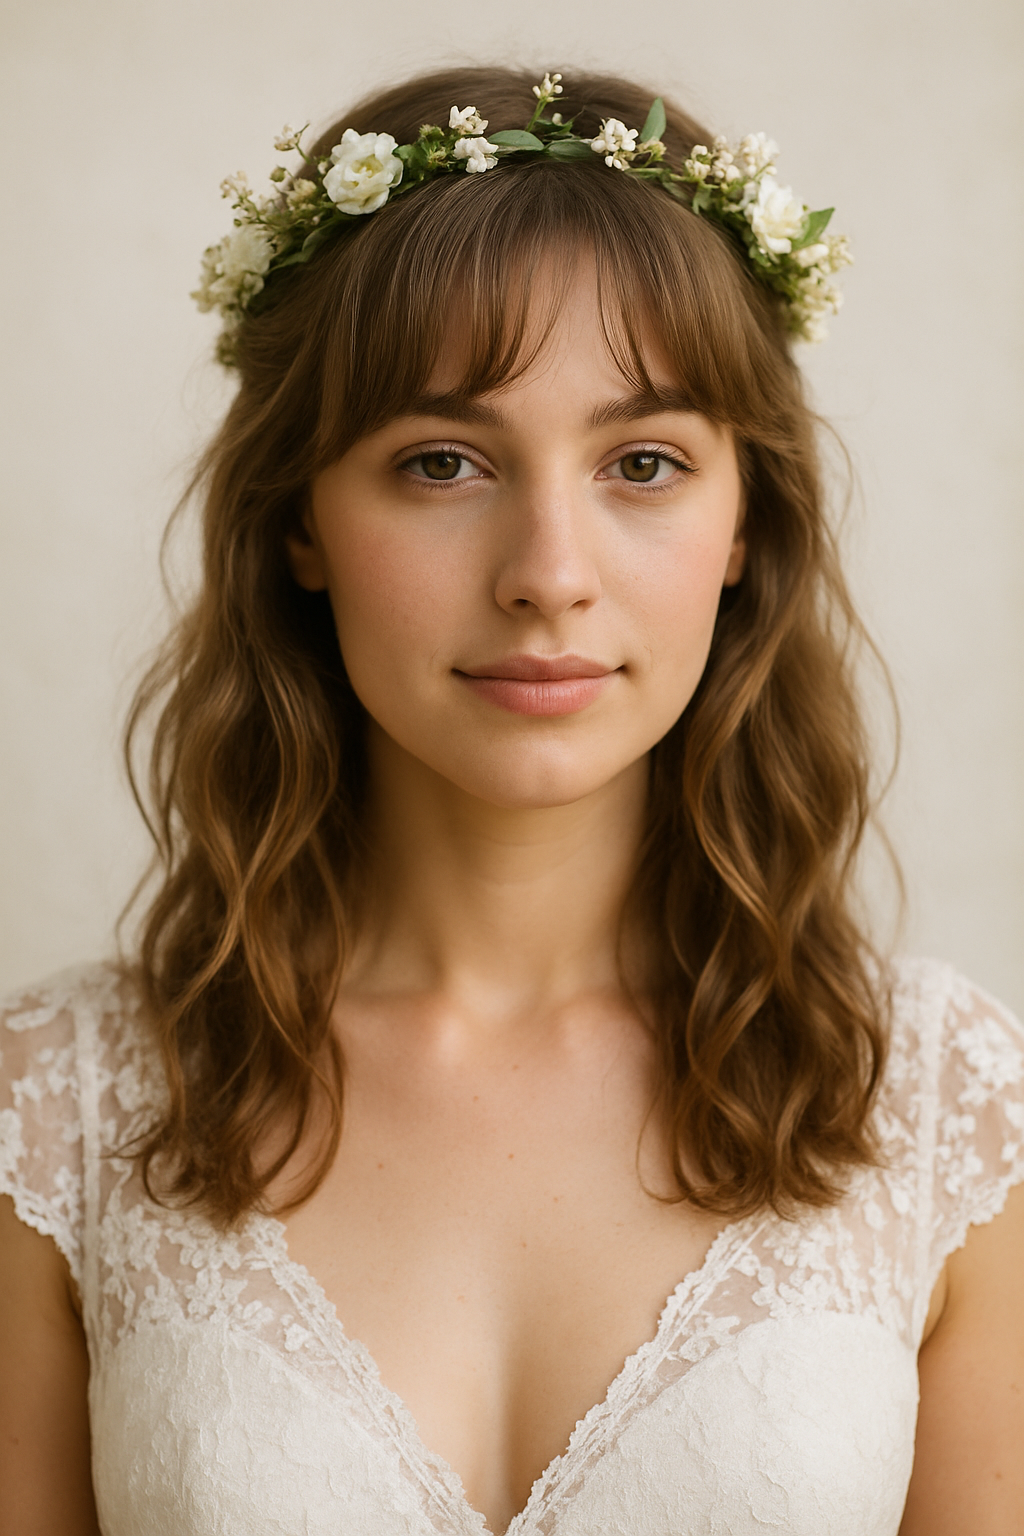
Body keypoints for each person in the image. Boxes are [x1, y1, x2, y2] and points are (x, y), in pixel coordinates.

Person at [1, 64, 1021, 1536]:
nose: (550, 568)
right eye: (442, 462)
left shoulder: (942, 1105)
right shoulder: (60, 1115)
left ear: (746, 524)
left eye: (646, 464)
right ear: (299, 520)